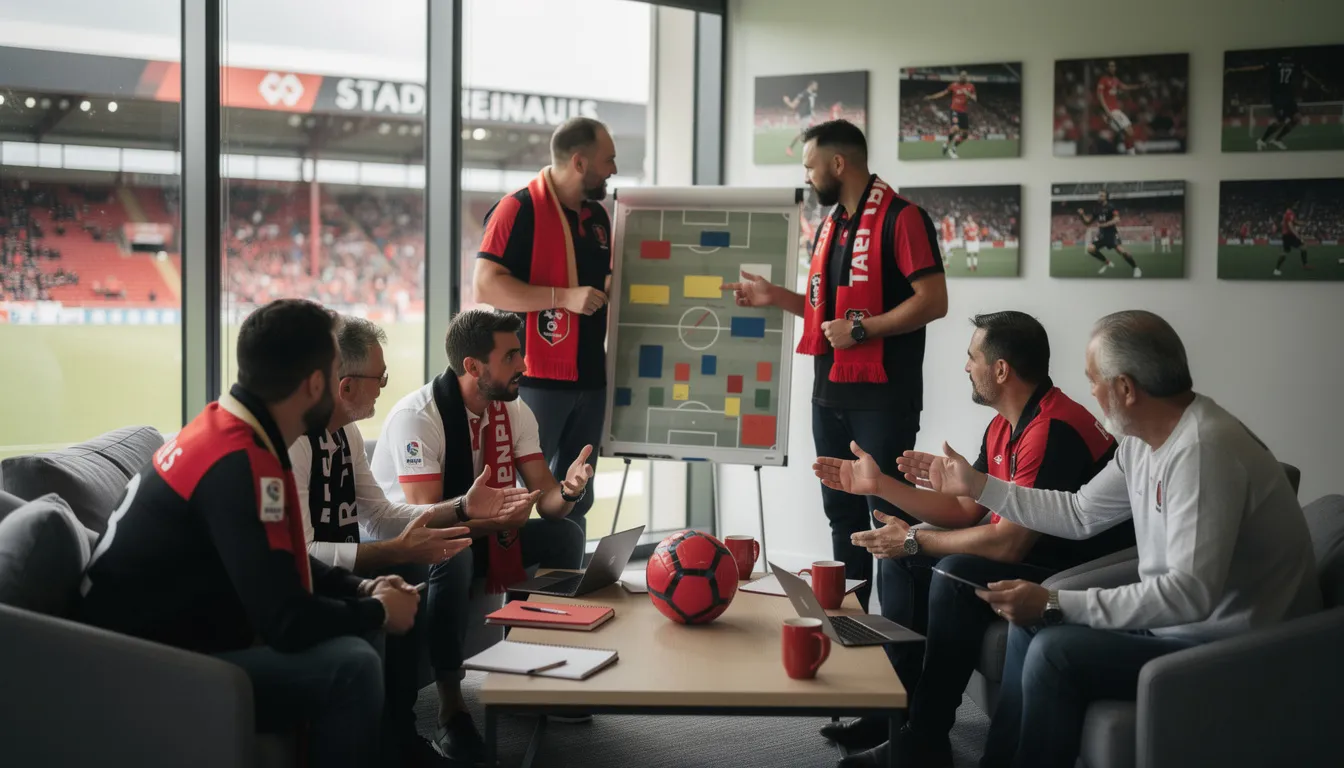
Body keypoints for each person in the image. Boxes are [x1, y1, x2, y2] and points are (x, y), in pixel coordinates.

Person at [898, 310, 1321, 768]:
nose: (1092, 392)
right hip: (1179, 625)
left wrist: (1056, 602)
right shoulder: (1142, 441)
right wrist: (980, 486)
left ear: (1126, 388)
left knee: (1054, 653)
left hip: (1226, 648)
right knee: (1029, 627)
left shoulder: (1203, 452)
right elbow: (1078, 512)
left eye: (1095, 380)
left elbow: (1189, 595)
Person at [77, 299, 420, 768]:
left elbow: (285, 562)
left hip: (159, 646)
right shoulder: (240, 462)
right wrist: (378, 609)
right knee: (353, 667)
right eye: (335, 368)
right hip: (137, 669)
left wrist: (361, 588)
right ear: (317, 384)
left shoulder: (234, 431)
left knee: (361, 635)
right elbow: (285, 620)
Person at [815, 312, 1133, 767]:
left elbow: (1009, 545)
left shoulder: (1052, 429)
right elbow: (968, 511)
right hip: (1037, 549)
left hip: (1077, 570)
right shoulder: (1006, 423)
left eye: (972, 357)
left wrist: (916, 541)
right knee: (902, 559)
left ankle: (925, 737)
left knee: (951, 571)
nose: (966, 367)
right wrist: (880, 486)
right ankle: (896, 711)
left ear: (1000, 370)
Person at [289, 315, 537, 764]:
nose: (385, 385)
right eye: (379, 376)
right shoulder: (296, 445)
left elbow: (382, 514)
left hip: (342, 570)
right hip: (308, 583)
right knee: (414, 573)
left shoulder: (346, 433)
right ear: (345, 388)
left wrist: (461, 508)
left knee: (414, 570)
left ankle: (400, 734)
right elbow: (301, 556)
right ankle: (407, 732)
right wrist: (397, 551)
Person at [722, 119, 948, 610]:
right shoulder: (832, 226)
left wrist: (863, 329)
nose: (807, 175)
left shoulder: (902, 218)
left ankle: (897, 642)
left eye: (810, 165)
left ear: (838, 163)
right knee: (841, 517)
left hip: (883, 399)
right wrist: (774, 296)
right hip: (829, 396)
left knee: (887, 519)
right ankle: (854, 621)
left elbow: (933, 300)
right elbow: (828, 317)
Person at [371, 308, 590, 758]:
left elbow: (545, 500)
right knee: (455, 552)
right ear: (473, 367)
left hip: (473, 530)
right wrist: (495, 524)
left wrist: (567, 491)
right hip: (402, 545)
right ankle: (451, 711)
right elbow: (426, 521)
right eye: (511, 356)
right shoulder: (419, 417)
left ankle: (529, 674)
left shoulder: (514, 408)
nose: (524, 365)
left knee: (564, 534)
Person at [472, 116, 616, 536]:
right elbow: (485, 285)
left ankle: (567, 578)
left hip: (590, 377)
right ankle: (512, 589)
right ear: (579, 162)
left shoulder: (598, 218)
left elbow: (598, 285)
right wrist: (561, 297)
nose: (614, 169)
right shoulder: (517, 208)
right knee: (517, 494)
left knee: (577, 491)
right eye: (608, 160)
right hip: (534, 377)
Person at [1226, 51, 1324, 151]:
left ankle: (1277, 139)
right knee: (1281, 122)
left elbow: (1305, 72)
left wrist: (1318, 83)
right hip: (1278, 96)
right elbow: (1257, 67)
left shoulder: (1290, 62)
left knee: (1297, 118)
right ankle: (1262, 140)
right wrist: (1235, 69)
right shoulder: (1278, 62)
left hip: (1288, 95)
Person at [1077, 190, 1140, 277]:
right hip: (1102, 235)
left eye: (1102, 196)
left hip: (1112, 234)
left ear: (1106, 197)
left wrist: (1104, 224)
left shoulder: (1111, 207)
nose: (1099, 197)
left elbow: (1117, 219)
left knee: (1123, 252)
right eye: (1099, 195)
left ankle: (1135, 268)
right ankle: (1107, 262)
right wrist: (1082, 215)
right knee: (1090, 249)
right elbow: (1087, 223)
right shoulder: (1096, 208)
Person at [1095, 59, 1148, 155]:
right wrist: (1107, 112)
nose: (1113, 68)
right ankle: (1130, 154)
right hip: (1110, 112)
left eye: (1114, 66)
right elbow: (1100, 97)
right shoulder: (1103, 80)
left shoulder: (1115, 80)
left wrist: (1139, 86)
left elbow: (1125, 87)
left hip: (1117, 110)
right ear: (1106, 68)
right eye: (1110, 66)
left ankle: (1129, 153)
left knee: (1129, 132)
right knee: (1127, 132)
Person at [924, 70, 976, 159]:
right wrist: (931, 97)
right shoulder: (953, 85)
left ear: (966, 77)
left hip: (963, 112)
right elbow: (943, 93)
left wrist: (968, 94)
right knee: (955, 129)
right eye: (961, 76)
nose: (963, 77)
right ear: (959, 77)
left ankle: (953, 148)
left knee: (965, 135)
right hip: (954, 110)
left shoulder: (971, 86)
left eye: (965, 76)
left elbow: (975, 99)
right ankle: (947, 143)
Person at [784, 80, 821, 157]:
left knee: (812, 133)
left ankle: (810, 150)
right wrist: (787, 102)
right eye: (815, 85)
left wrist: (813, 114)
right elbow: (793, 105)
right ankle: (789, 148)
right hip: (804, 117)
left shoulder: (812, 94)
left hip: (808, 117)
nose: (817, 86)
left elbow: (810, 106)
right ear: (810, 85)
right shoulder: (803, 94)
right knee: (802, 134)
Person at [1274, 199, 1311, 276]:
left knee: (1285, 252)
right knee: (1303, 245)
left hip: (1286, 235)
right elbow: (1290, 226)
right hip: (1289, 235)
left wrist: (1303, 223)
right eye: (1296, 203)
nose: (1297, 205)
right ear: (1292, 204)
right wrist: (1298, 236)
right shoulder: (1289, 213)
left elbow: (1295, 222)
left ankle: (1276, 269)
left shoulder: (1289, 213)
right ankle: (1305, 265)